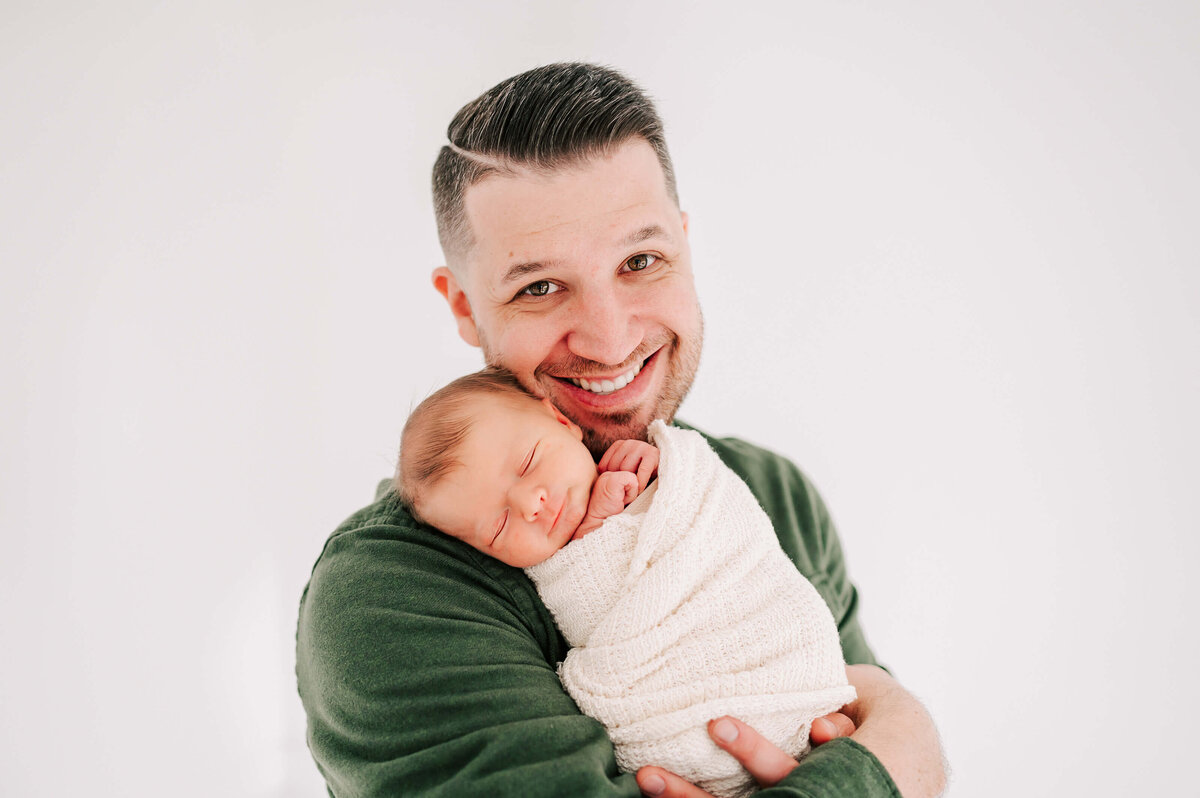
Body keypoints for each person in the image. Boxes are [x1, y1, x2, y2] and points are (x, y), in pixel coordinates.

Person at [296, 62, 946, 798]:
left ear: (686, 247)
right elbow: (883, 749)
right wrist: (900, 754)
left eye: (641, 261)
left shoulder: (772, 494)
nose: (608, 341)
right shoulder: (391, 598)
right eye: (539, 286)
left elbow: (845, 717)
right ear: (464, 307)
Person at [395, 368, 858, 797]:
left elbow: (707, 522)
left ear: (561, 421)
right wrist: (598, 523)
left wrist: (663, 472)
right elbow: (588, 597)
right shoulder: (422, 579)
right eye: (498, 526)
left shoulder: (738, 474)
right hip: (673, 726)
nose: (530, 503)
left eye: (530, 462)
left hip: (787, 675)